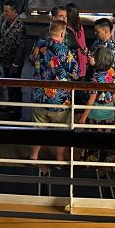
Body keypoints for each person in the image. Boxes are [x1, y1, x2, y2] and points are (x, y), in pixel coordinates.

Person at [28, 19, 78, 166]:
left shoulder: (38, 45)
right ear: (62, 33)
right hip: (60, 99)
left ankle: (33, 157)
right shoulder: (65, 51)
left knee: (38, 129)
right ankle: (59, 160)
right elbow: (75, 73)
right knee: (61, 130)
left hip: (40, 95)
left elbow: (31, 59)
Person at [79, 46, 115, 163]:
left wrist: (83, 117)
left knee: (92, 142)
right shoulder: (113, 73)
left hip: (95, 114)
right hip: (109, 112)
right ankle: (108, 165)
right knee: (108, 143)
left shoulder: (96, 77)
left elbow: (92, 98)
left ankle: (90, 164)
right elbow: (114, 93)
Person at [0, 2, 26, 118]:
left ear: (14, 11)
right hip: (5, 59)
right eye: (4, 11)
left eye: (7, 11)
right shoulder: (5, 22)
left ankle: (17, 111)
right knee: (8, 84)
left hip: (14, 62)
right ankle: (10, 105)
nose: (4, 14)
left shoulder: (20, 26)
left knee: (16, 85)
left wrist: (15, 64)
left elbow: (21, 48)